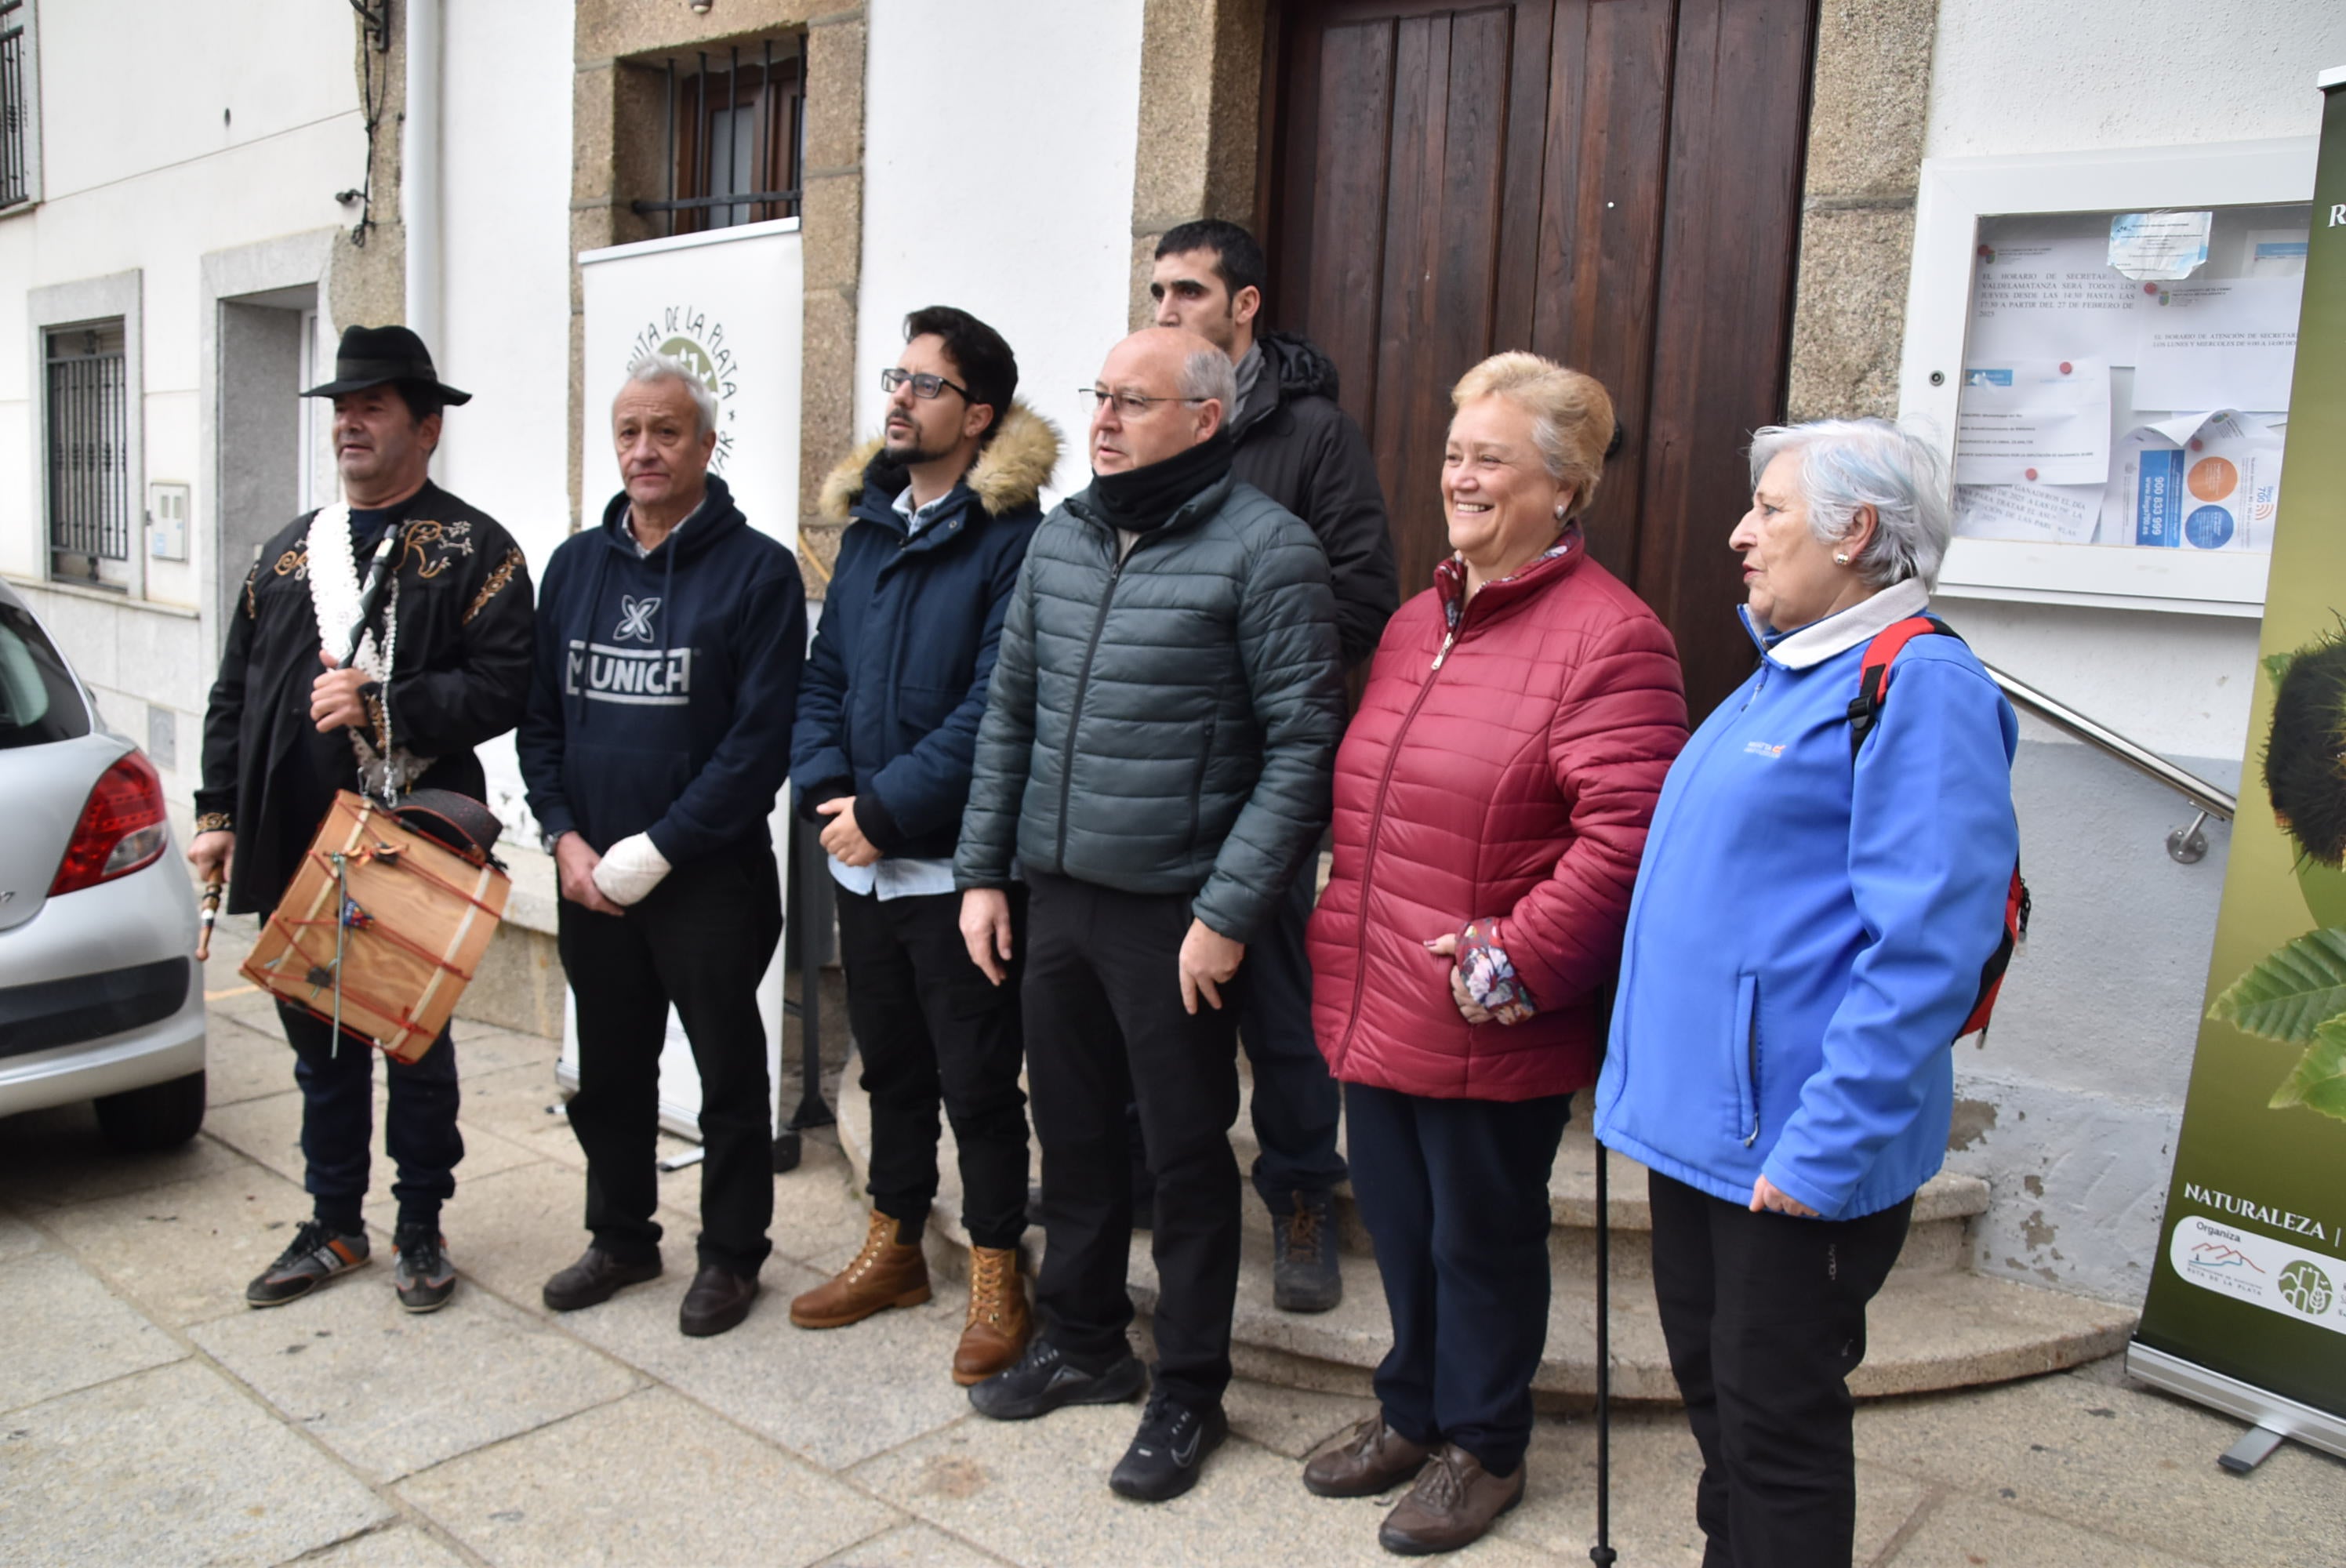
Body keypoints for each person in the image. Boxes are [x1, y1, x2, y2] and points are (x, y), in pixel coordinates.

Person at [1596, 419, 2020, 1566]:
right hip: (1706, 1142)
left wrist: (1824, 1149)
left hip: (1793, 1154)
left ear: (1857, 533)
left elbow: (1927, 949)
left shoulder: (1917, 684)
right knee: (1722, 1410)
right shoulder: (1790, 672)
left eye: (1770, 510)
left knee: (1775, 1425)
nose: (1741, 533)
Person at [1300, 353, 1686, 1554]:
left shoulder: (1613, 638)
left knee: (1483, 1238)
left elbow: (1626, 839)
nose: (1460, 477)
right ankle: (1411, 1411)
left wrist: (1512, 963)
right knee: (1406, 1230)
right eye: (1455, 453)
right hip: (1381, 989)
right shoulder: (1423, 617)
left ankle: (1484, 1445)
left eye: (1491, 458)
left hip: (1483, 1007)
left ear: (1565, 488)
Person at [954, 327, 1344, 1502]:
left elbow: (1300, 751)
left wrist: (1229, 911)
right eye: (1102, 396)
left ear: (1207, 418)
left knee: (1183, 1159)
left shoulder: (1269, 552)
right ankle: (1082, 1343)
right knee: (1069, 1137)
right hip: (1056, 896)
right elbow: (1009, 714)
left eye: (1135, 400)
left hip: (1176, 912)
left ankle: (1189, 1389)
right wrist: (984, 871)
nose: (1107, 419)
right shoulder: (1065, 539)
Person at [193, 325, 535, 1316]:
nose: (350, 420)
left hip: (410, 840)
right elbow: (233, 692)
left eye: (373, 404)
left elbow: (508, 685)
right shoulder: (283, 553)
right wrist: (217, 813)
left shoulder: (478, 550)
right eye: (342, 406)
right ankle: (334, 1219)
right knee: (319, 1049)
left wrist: (388, 704)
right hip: (297, 839)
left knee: (414, 1045)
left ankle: (421, 1223)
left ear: (426, 428)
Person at [787, 306, 1058, 1385]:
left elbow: (999, 708)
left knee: (978, 1082)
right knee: (889, 1069)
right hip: (864, 856)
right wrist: (828, 796)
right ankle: (895, 1244)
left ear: (978, 416)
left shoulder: (1016, 542)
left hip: (958, 868)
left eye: (925, 384)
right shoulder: (867, 531)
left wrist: (885, 810)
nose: (898, 397)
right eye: (894, 377)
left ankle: (998, 1272)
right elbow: (824, 679)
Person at [518, 354, 806, 1339]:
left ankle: (731, 1254)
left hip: (707, 878)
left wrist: (659, 850)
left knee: (727, 1070)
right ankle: (622, 1234)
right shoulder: (572, 567)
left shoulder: (760, 571)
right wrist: (562, 836)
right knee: (609, 1067)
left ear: (705, 444)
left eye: (666, 431)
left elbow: (758, 744)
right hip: (589, 874)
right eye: (630, 432)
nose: (645, 450)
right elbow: (539, 723)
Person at [1147, 217, 1400, 1312]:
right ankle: (1162, 1178)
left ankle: (1302, 1196)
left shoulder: (1315, 438)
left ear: (1245, 305)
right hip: (1155, 769)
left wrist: (1224, 624)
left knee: (1284, 1003)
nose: (1166, 313)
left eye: (1189, 294)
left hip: (1270, 768)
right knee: (1154, 992)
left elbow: (1364, 596)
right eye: (1157, 293)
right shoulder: (1147, 423)